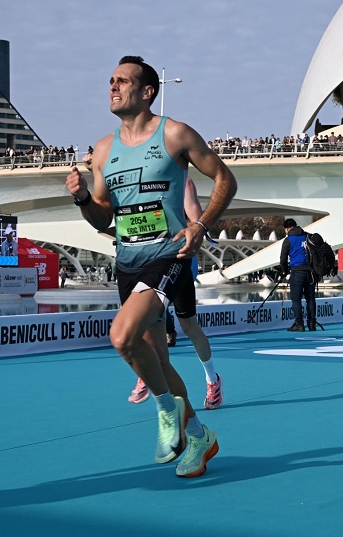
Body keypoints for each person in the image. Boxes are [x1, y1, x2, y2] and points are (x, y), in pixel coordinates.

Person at [66, 55, 236, 477]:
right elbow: (104, 218)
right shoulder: (103, 150)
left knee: (121, 336)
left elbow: (226, 180)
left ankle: (165, 411)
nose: (113, 86)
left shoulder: (174, 133)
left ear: (147, 91)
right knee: (157, 360)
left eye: (123, 80)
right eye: (110, 80)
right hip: (127, 262)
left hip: (168, 256)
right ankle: (199, 435)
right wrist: (84, 199)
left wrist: (200, 224)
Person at [128, 177, 223, 410]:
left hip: (179, 262)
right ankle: (149, 373)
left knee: (189, 326)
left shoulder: (183, 182)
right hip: (150, 263)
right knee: (150, 322)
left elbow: (196, 216)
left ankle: (213, 380)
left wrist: (196, 225)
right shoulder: (140, 182)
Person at [280, 218, 317, 332]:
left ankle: (299, 324)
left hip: (297, 272)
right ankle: (312, 324)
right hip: (310, 272)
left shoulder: (288, 240)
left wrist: (284, 270)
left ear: (286, 229)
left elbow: (283, 258)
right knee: (310, 299)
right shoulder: (307, 236)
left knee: (296, 300)